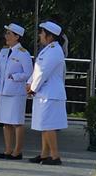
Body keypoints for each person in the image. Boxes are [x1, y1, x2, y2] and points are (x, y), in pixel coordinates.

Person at [26, 21, 67, 166]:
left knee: (49, 126)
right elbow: (37, 69)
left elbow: (43, 72)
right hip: (45, 92)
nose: (40, 35)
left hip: (50, 93)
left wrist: (33, 88)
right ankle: (44, 154)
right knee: (44, 125)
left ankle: (55, 156)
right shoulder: (49, 49)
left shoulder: (54, 51)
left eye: (42, 33)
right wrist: (29, 83)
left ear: (49, 36)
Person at [0, 23, 33, 160]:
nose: (6, 36)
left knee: (16, 122)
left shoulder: (23, 53)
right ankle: (8, 149)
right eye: (6, 33)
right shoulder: (4, 52)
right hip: (4, 91)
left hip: (16, 92)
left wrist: (15, 76)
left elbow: (28, 73)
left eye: (9, 34)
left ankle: (17, 150)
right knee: (6, 122)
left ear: (17, 37)